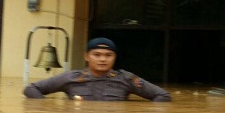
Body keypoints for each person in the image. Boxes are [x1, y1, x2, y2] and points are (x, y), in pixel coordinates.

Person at [23, 37, 171, 102]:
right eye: (97, 55)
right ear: (87, 56)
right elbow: (31, 89)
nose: (102, 59)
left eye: (108, 55)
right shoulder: (70, 78)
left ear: (114, 57)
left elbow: (162, 96)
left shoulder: (126, 78)